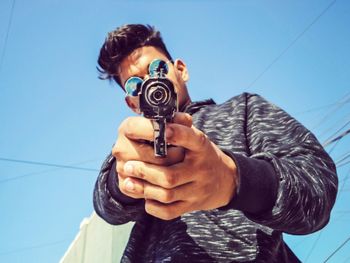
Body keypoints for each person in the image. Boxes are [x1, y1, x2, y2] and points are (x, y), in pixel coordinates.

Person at [93, 24, 338, 262]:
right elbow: (105, 206)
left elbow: (317, 189)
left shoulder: (243, 109)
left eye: (156, 69)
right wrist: (122, 178)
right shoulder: (132, 144)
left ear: (181, 69)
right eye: (134, 84)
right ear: (131, 104)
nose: (149, 83)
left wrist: (233, 179)